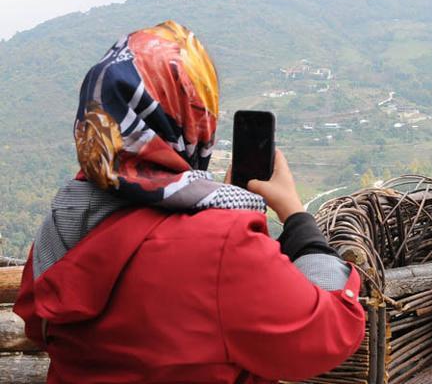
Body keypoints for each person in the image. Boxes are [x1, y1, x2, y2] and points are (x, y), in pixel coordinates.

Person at [13, 20, 366, 384]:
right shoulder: (223, 242)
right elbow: (328, 331)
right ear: (195, 114)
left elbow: (36, 324)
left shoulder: (62, 221)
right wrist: (296, 217)